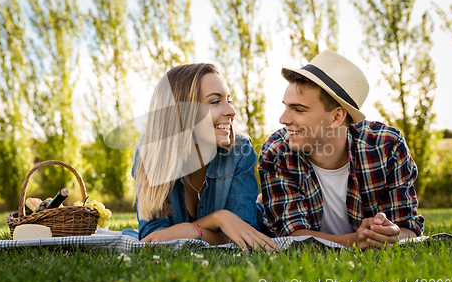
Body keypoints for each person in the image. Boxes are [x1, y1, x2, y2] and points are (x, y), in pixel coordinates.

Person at [258, 49, 424, 249]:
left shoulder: (387, 146)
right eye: (286, 106)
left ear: (337, 117)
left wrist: (389, 234)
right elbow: (292, 237)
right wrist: (357, 240)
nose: (283, 119)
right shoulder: (276, 152)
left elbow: (408, 228)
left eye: (299, 110)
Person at [131, 63, 279, 251]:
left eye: (228, 100)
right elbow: (154, 235)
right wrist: (219, 219)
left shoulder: (240, 151)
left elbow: (244, 233)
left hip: (264, 219)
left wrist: (187, 231)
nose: (231, 111)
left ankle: (260, 201)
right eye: (215, 101)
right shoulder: (150, 154)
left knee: (262, 207)